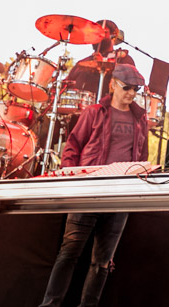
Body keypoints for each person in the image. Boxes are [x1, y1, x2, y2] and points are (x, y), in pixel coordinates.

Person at [39, 63, 149, 307]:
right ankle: (50, 305)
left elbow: (143, 159)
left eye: (136, 89)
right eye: (127, 87)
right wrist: (72, 179)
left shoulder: (141, 119)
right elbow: (73, 146)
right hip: (88, 191)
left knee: (102, 261)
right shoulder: (94, 112)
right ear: (113, 84)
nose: (132, 93)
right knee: (69, 253)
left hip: (121, 196)